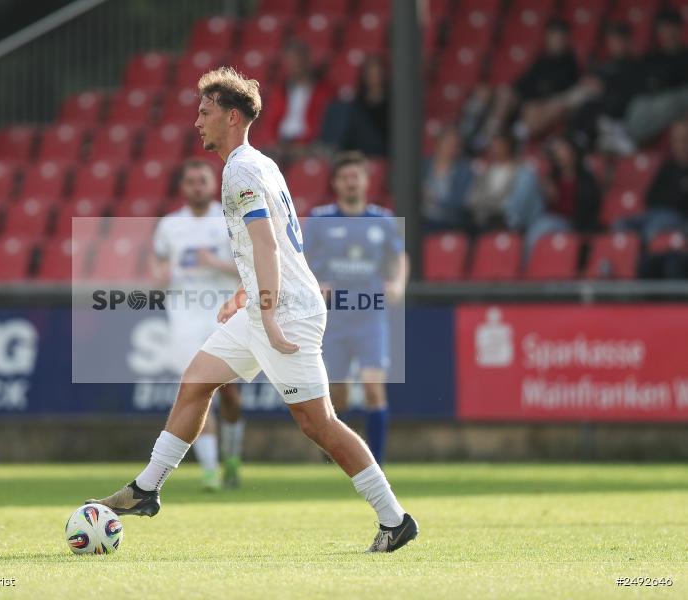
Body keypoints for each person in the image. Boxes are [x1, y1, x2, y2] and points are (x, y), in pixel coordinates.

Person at [88, 67, 417, 553]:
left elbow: (267, 245)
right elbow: (276, 244)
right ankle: (147, 489)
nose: (197, 121)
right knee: (196, 380)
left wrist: (263, 311)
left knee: (317, 422)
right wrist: (247, 297)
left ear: (232, 116)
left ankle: (395, 519)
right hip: (269, 303)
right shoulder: (259, 163)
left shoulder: (240, 170)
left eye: (205, 112)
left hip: (285, 311)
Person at [303, 151, 408, 465]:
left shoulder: (383, 220)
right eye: (345, 177)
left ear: (366, 181)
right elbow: (300, 262)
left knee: (374, 389)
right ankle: (334, 454)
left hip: (370, 316)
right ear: (336, 183)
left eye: (356, 176)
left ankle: (375, 462)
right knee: (338, 395)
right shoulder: (320, 221)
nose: (351, 182)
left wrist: (398, 283)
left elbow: (399, 258)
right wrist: (314, 285)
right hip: (332, 320)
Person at [150, 159, 245, 490]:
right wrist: (159, 275)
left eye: (202, 181)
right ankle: (210, 471)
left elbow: (250, 269)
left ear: (212, 184)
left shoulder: (228, 221)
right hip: (184, 318)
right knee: (197, 389)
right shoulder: (169, 226)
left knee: (230, 395)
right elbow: (159, 265)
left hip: (224, 314)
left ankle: (231, 456)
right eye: (191, 182)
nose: (197, 187)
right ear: (183, 187)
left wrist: (213, 262)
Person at [461, 19, 581, 150]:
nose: (555, 40)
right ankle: (483, 136)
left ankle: (513, 143)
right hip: (523, 101)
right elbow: (523, 82)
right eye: (552, 36)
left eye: (559, 37)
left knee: (532, 109)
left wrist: (534, 100)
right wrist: (510, 92)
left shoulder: (570, 64)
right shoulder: (541, 59)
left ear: (565, 39)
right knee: (493, 93)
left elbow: (559, 92)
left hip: (541, 107)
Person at [568, 22, 641, 154]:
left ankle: (599, 134)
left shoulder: (634, 65)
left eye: (618, 39)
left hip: (618, 111)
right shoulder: (607, 64)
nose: (615, 43)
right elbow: (591, 79)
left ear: (627, 41)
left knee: (598, 100)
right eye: (612, 40)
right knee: (584, 98)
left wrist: (603, 84)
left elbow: (625, 87)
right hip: (596, 104)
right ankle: (579, 137)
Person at [616, 119, 688, 242]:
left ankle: (643, 260)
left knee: (652, 229)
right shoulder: (667, 167)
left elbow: (681, 204)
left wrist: (671, 198)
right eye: (675, 140)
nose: (679, 145)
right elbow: (650, 196)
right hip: (655, 213)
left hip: (677, 217)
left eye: (683, 140)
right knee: (620, 224)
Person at [624, 9, 688, 146]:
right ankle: (632, 140)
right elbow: (640, 82)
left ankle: (636, 140)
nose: (668, 32)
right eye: (663, 28)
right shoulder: (652, 56)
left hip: (675, 100)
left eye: (671, 27)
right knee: (637, 103)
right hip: (651, 100)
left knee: (669, 101)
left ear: (679, 28)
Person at [526, 136, 601, 252]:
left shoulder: (585, 179)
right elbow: (547, 202)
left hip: (570, 223)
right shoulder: (553, 177)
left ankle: (527, 267)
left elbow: (586, 209)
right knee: (528, 175)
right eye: (557, 151)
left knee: (542, 226)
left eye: (563, 150)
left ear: (573, 152)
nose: (559, 154)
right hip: (546, 218)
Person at [465, 133, 543, 234]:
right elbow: (472, 200)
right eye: (493, 146)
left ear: (508, 147)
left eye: (499, 146)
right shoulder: (484, 172)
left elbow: (517, 202)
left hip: (511, 219)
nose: (495, 150)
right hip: (485, 217)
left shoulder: (522, 172)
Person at [320, 54, 391, 156]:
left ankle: (331, 147)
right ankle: (329, 145)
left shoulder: (391, 102)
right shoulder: (359, 100)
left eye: (378, 72)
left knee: (346, 109)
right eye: (371, 72)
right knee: (337, 106)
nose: (375, 76)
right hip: (355, 143)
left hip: (378, 144)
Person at [422, 127, 473, 231]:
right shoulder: (423, 165)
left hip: (448, 221)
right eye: (447, 142)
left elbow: (459, 203)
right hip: (421, 218)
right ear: (439, 143)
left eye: (455, 144)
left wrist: (433, 198)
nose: (451, 147)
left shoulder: (464, 171)